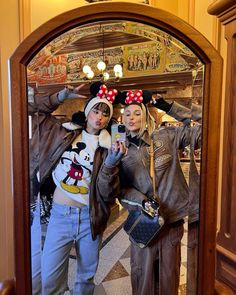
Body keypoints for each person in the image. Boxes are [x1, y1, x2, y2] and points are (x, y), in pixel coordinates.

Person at [29, 82, 124, 295]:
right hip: (60, 217)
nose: (99, 117)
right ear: (88, 110)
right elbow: (33, 110)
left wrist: (110, 164)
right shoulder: (65, 133)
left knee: (85, 280)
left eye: (104, 114)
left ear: (109, 120)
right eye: (96, 110)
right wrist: (62, 96)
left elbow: (109, 193)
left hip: (91, 218)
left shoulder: (109, 147)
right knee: (50, 279)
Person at [98, 90, 191, 295]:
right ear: (122, 119)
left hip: (171, 221)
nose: (132, 118)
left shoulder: (166, 136)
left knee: (169, 279)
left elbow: (203, 124)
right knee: (142, 281)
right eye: (127, 114)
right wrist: (111, 162)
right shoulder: (117, 150)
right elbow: (109, 191)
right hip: (143, 223)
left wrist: (168, 106)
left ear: (145, 115)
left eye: (137, 113)